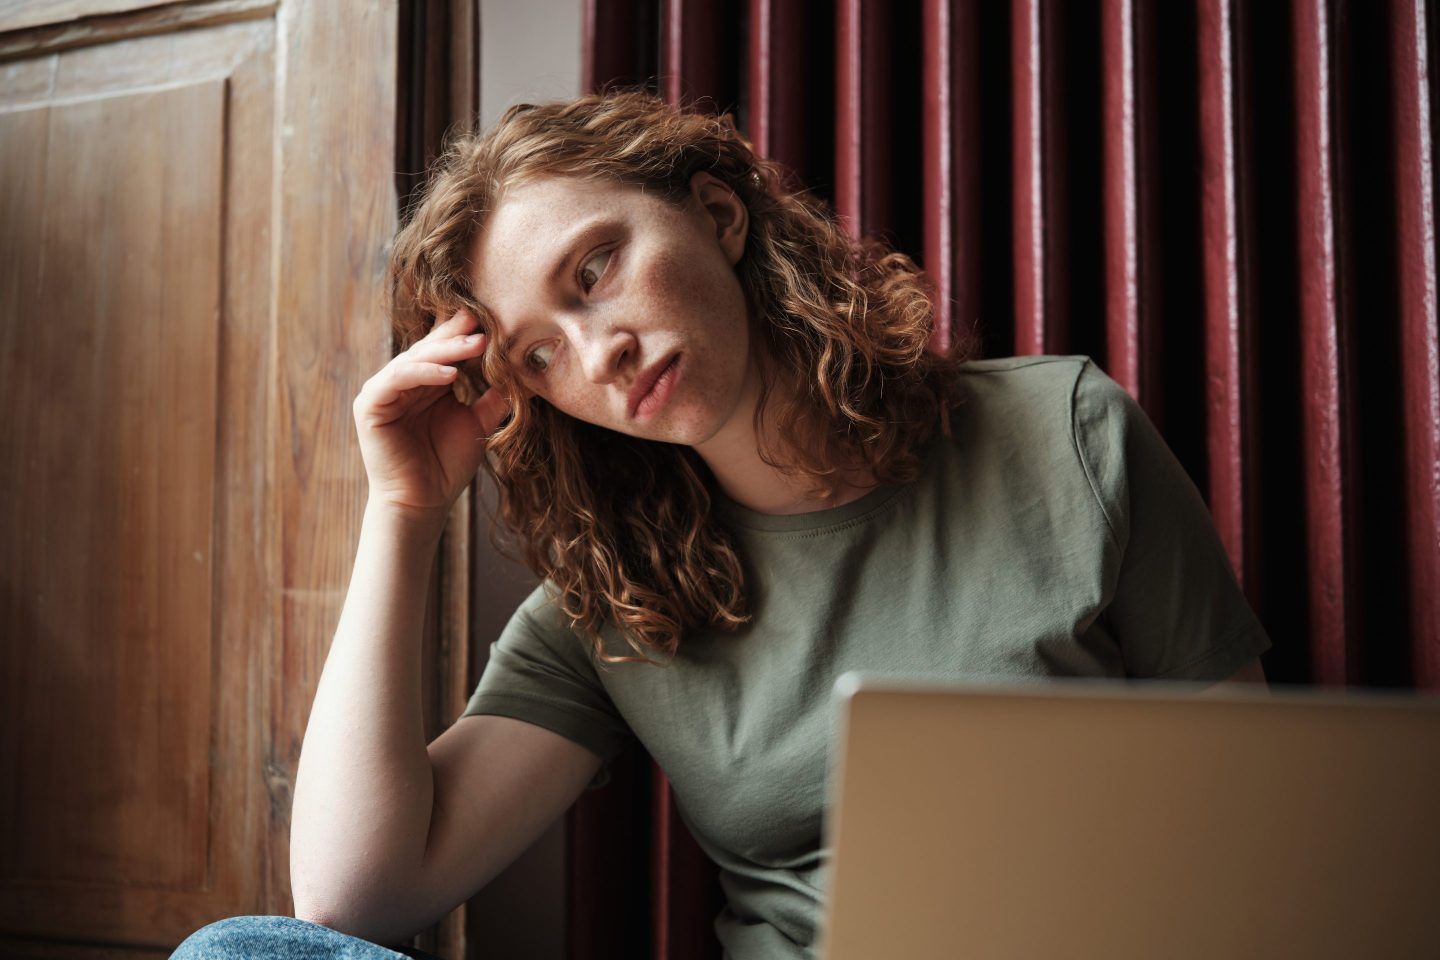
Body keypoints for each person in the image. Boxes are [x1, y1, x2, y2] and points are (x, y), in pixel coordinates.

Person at [172, 90, 1270, 960]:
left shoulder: (1065, 432)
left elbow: (1252, 817)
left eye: (594, 271)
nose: (594, 353)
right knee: (244, 956)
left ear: (719, 213)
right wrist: (403, 512)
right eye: (537, 354)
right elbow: (354, 896)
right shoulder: (613, 598)